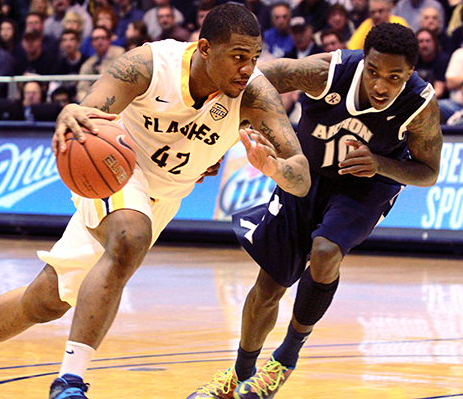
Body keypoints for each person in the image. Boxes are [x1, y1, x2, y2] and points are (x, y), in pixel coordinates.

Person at [0, 4, 311, 399]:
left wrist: (273, 169)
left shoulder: (253, 94)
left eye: (254, 57)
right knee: (130, 236)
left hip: (164, 197)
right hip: (114, 169)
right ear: (204, 48)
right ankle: (69, 382)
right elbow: (89, 111)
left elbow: (301, 175)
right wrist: (71, 113)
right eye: (238, 56)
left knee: (47, 300)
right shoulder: (151, 65)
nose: (247, 68)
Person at [187, 22, 443, 399]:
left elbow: (429, 172)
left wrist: (380, 164)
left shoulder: (420, 104)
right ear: (363, 60)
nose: (380, 86)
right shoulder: (326, 72)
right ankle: (240, 374)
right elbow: (254, 82)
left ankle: (284, 360)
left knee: (325, 251)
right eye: (373, 71)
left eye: (394, 77)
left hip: (367, 186)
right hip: (304, 174)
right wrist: (215, 144)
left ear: (409, 75)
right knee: (269, 284)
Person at [76, 26, 125, 101]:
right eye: (96, 39)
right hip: (96, 102)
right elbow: (82, 88)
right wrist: (87, 103)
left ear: (109, 40)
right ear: (92, 43)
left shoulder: (120, 54)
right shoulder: (89, 63)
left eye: (103, 38)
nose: (99, 42)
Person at [416, 28, 450, 98]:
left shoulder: (442, 59)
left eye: (428, 41)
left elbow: (439, 90)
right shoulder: (413, 59)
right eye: (421, 41)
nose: (424, 45)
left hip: (437, 100)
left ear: (434, 43)